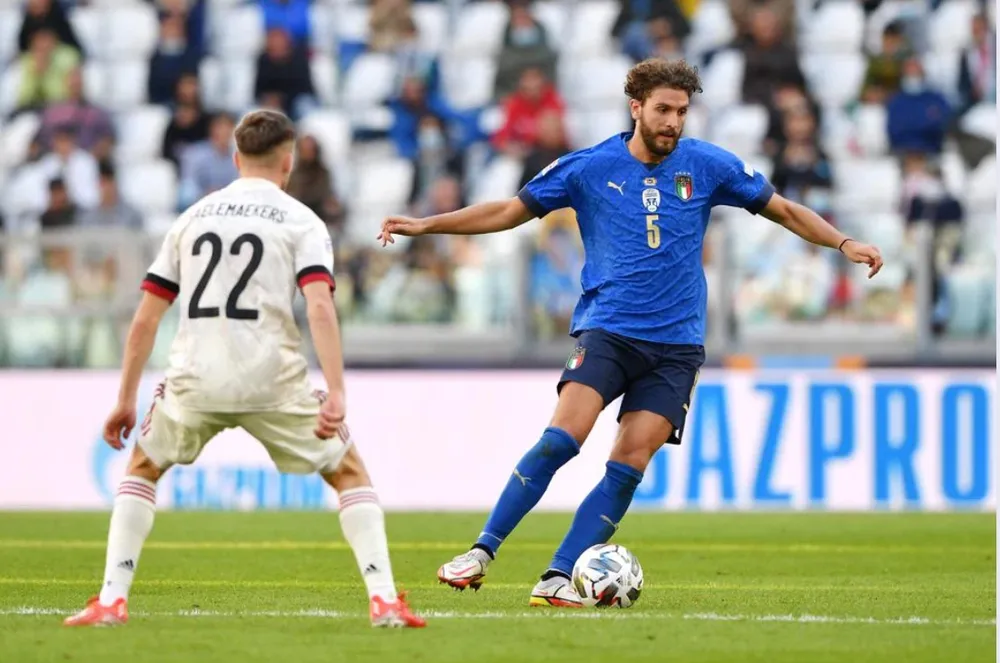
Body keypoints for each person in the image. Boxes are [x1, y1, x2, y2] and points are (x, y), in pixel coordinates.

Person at [377, 58, 884, 608]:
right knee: (562, 438)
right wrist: (428, 224)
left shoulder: (708, 165)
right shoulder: (588, 167)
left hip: (677, 348)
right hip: (609, 332)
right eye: (663, 110)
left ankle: (556, 578)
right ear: (636, 107)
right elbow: (508, 210)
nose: (673, 122)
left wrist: (842, 242)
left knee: (629, 463)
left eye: (682, 112)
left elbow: (782, 209)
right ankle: (482, 550)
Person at [64, 109, 426, 629]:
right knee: (348, 472)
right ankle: (385, 601)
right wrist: (337, 390)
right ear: (288, 160)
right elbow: (320, 307)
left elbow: (146, 318)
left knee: (143, 467)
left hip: (196, 376)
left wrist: (124, 398)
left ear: (236, 158)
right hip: (272, 379)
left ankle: (111, 600)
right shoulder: (302, 220)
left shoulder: (191, 218)